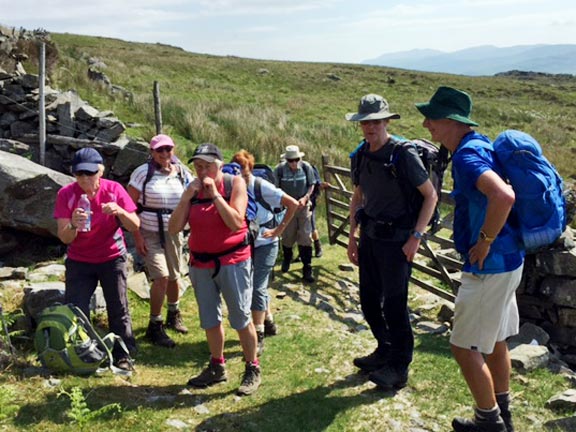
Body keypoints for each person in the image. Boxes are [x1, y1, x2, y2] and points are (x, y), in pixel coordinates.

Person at [416, 86, 524, 432]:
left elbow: (503, 196)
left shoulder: (466, 156)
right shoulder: (481, 144)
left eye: (432, 118)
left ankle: (489, 423)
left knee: (463, 347)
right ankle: (501, 411)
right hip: (510, 260)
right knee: (495, 340)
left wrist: (483, 242)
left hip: (488, 267)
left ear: (451, 121)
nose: (426, 124)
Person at [346, 94, 438, 389]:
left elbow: (430, 196)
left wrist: (416, 238)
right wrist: (352, 237)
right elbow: (358, 196)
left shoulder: (402, 154)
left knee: (395, 305)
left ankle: (399, 366)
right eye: (366, 122)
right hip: (371, 237)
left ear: (386, 121)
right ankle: (384, 349)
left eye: (376, 121)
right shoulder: (361, 154)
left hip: (398, 242)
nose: (370, 127)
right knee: (369, 301)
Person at [168, 143, 261, 396]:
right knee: (209, 318)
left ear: (219, 164)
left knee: (241, 318)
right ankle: (217, 366)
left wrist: (216, 195)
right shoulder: (193, 190)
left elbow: (234, 222)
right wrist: (187, 197)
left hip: (233, 260)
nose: (201, 171)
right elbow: (174, 229)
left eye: (207, 165)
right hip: (201, 263)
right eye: (197, 166)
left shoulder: (234, 184)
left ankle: (252, 366)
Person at [54, 147, 140, 372]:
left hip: (112, 257)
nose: (85, 178)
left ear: (100, 171)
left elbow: (135, 225)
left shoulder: (114, 189)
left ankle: (123, 354)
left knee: (118, 307)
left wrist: (120, 211)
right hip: (79, 260)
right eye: (80, 174)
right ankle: (82, 353)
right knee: (76, 309)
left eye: (90, 173)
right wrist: (73, 223)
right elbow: (64, 237)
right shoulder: (66, 194)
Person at [127, 134, 194, 348]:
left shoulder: (182, 172)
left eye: (168, 149)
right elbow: (130, 206)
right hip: (149, 231)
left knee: (175, 276)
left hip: (174, 232)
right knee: (162, 277)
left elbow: (194, 195)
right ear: (152, 152)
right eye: (160, 150)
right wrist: (137, 236)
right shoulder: (142, 173)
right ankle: (154, 325)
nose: (165, 154)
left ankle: (173, 313)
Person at [231, 150, 298, 355]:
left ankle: (258, 334)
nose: (239, 172)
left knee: (256, 286)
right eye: (236, 168)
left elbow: (292, 204)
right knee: (252, 284)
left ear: (250, 167)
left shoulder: (261, 186)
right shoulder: (233, 186)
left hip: (266, 243)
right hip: (246, 243)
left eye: (242, 167)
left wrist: (279, 230)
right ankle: (268, 321)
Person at [274, 145, 316, 283]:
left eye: (296, 159)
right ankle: (287, 258)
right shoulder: (279, 170)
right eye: (291, 160)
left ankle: (307, 268)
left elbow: (311, 184)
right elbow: (275, 188)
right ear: (286, 160)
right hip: (288, 208)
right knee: (288, 235)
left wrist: (305, 198)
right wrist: (285, 202)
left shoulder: (306, 167)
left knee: (305, 235)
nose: (294, 163)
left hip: (303, 206)